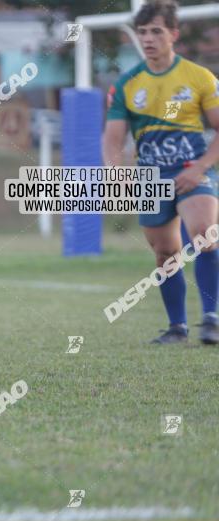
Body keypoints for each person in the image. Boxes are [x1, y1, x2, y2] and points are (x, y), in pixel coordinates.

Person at [102, 0, 219, 344]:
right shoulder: (126, 84)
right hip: (151, 178)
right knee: (165, 254)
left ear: (174, 34)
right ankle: (177, 327)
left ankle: (212, 319)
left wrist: (200, 167)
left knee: (204, 233)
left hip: (191, 171)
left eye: (156, 31)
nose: (148, 39)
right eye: (142, 33)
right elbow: (113, 141)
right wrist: (117, 174)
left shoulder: (199, 77)